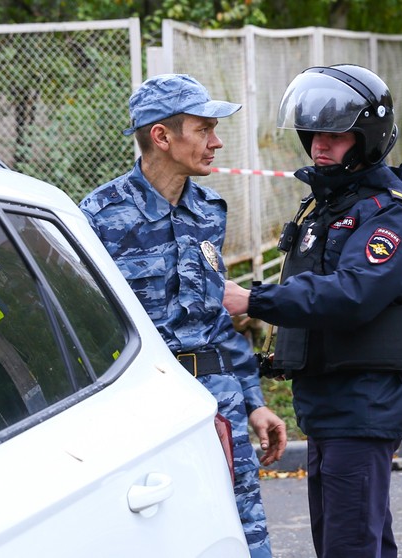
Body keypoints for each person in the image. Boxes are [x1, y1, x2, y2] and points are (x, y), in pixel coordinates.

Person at [224, 64, 402, 558]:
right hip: (330, 408)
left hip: (362, 407)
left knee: (348, 546)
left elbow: (353, 293)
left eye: (336, 135)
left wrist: (253, 300)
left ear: (365, 138)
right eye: (314, 132)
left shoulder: (387, 212)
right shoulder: (328, 204)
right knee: (358, 543)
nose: (320, 144)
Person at [79, 73, 288, 558]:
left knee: (244, 534)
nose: (216, 143)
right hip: (143, 409)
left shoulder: (208, 212)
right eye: (204, 130)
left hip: (217, 403)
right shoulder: (97, 217)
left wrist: (252, 401)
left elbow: (216, 321)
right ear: (162, 136)